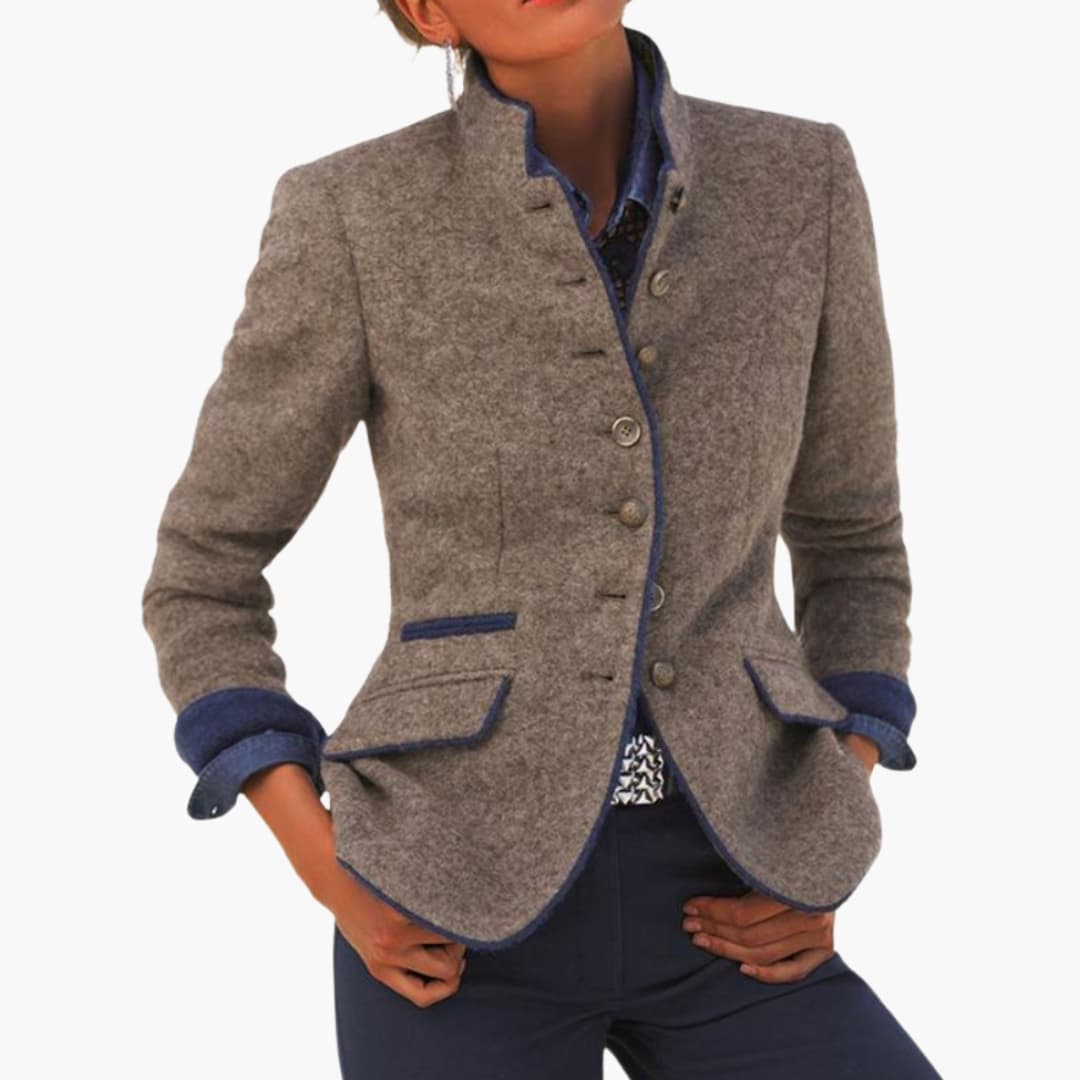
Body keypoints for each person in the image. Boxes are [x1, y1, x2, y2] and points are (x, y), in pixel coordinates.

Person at [141, 2, 943, 1076]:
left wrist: (828, 815)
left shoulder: (802, 179)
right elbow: (203, 573)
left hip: (740, 886)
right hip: (443, 908)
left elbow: (853, 540)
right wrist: (329, 870)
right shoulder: (353, 212)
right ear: (428, 12)